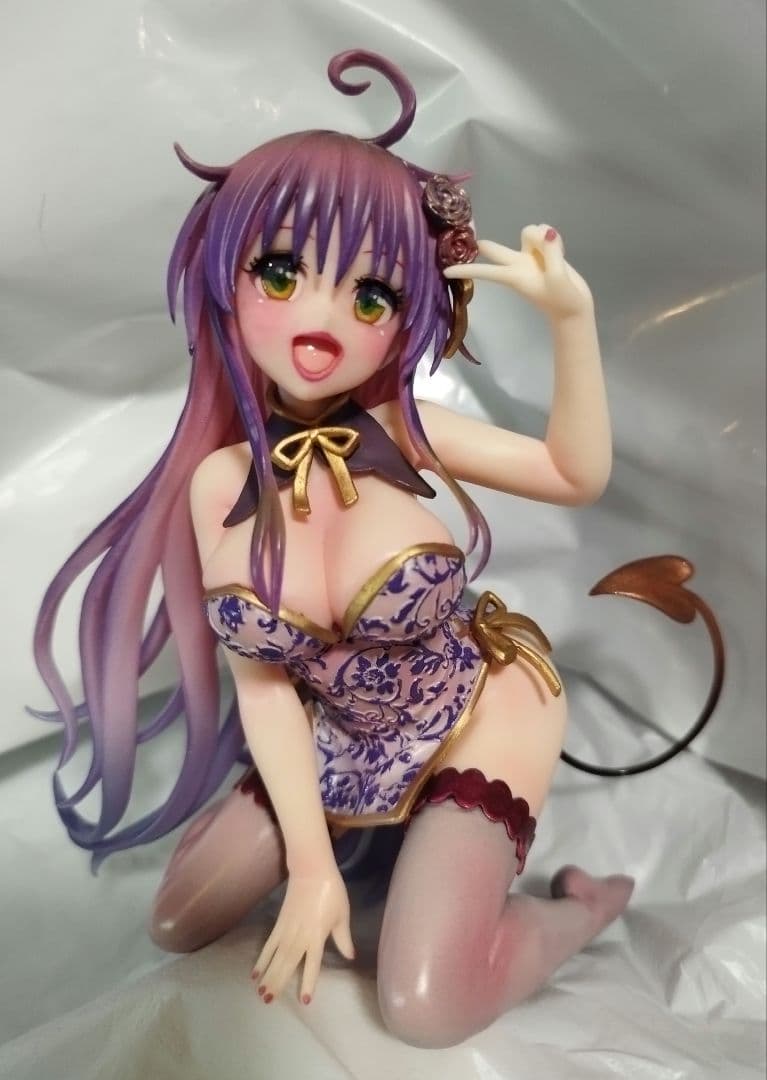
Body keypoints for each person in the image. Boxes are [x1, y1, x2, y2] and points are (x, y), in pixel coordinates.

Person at [34, 49, 633, 1048]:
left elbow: (573, 474)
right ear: (225, 277)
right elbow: (266, 686)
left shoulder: (405, 429)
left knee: (424, 1007)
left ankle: (583, 908)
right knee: (176, 922)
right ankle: (360, 850)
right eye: (280, 273)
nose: (319, 319)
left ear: (404, 316)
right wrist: (312, 867)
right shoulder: (217, 484)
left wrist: (571, 321)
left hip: (478, 710)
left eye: (369, 296)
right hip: (331, 730)